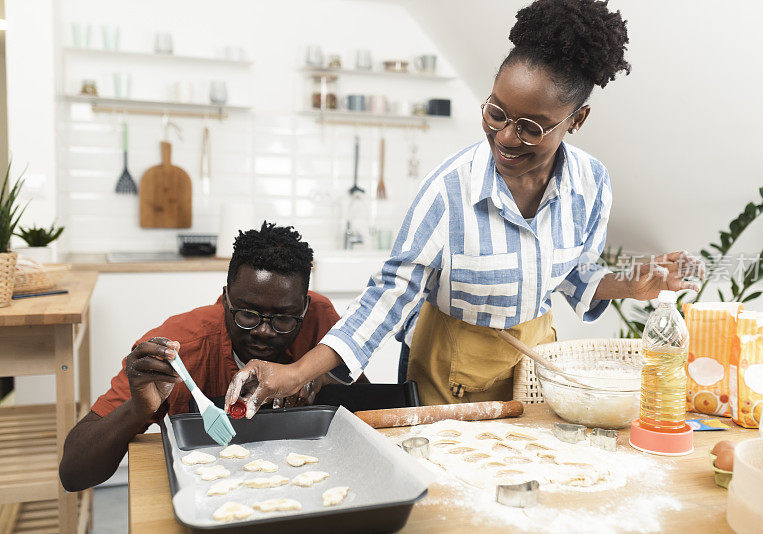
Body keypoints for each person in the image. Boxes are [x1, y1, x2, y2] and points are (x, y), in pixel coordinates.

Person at [223, 0, 704, 410]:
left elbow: (576, 275)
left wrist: (632, 285)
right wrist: (295, 373)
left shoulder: (591, 184)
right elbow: (388, 297)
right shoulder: (449, 190)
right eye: (496, 112)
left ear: (576, 121)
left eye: (531, 127)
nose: (505, 136)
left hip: (536, 359)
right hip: (449, 359)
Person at [59, 223, 343, 491]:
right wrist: (137, 409)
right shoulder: (178, 349)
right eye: (247, 315)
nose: (265, 332)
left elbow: (359, 404)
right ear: (226, 298)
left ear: (304, 308)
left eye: (283, 319)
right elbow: (73, 472)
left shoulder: (320, 320)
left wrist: (320, 375)